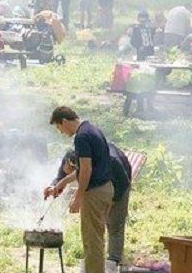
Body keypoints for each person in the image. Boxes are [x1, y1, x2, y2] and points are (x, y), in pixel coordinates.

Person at [44, 144, 131, 270]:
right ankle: (94, 261)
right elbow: (61, 176)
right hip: (97, 181)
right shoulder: (71, 155)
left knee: (114, 223)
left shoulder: (110, 160)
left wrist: (113, 201)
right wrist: (54, 186)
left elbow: (124, 183)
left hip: (120, 180)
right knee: (94, 225)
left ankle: (113, 262)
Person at [48, 106, 113, 273]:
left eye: (59, 127)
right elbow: (87, 167)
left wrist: (78, 196)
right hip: (106, 188)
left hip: (96, 192)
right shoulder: (92, 129)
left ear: (64, 121)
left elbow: (86, 169)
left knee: (92, 242)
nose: (61, 132)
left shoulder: (81, 137)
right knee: (96, 239)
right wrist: (63, 182)